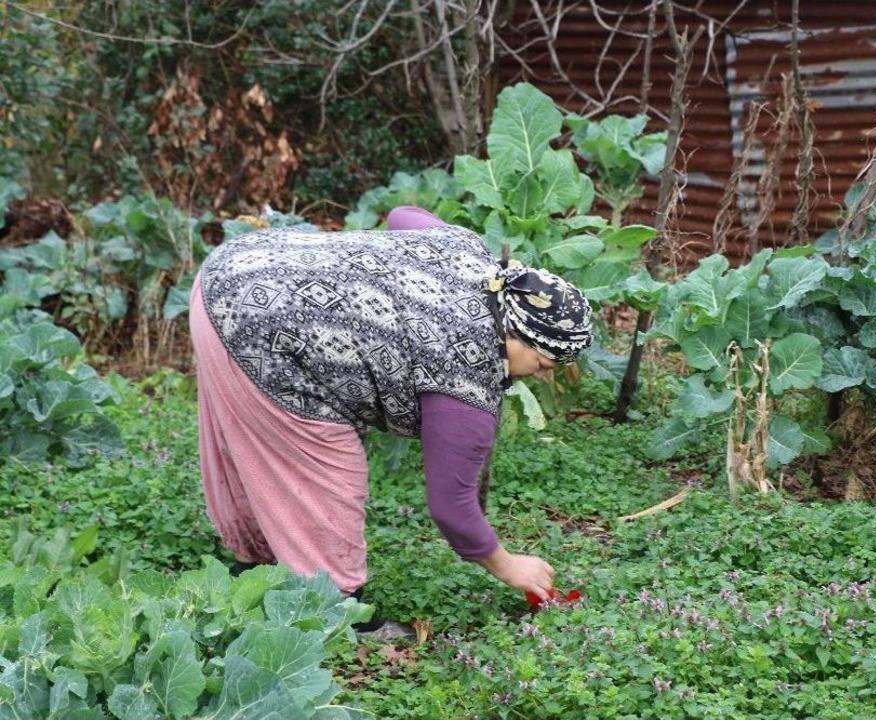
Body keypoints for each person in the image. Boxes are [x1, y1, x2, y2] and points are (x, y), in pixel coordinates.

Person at [188, 205, 593, 636]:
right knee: (325, 470)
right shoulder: (465, 379)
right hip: (258, 329)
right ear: (512, 333)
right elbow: (452, 508)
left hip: (230, 272)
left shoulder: (469, 253)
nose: (546, 374)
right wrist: (509, 565)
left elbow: (403, 215)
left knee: (253, 447)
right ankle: (335, 615)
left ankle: (250, 570)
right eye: (546, 360)